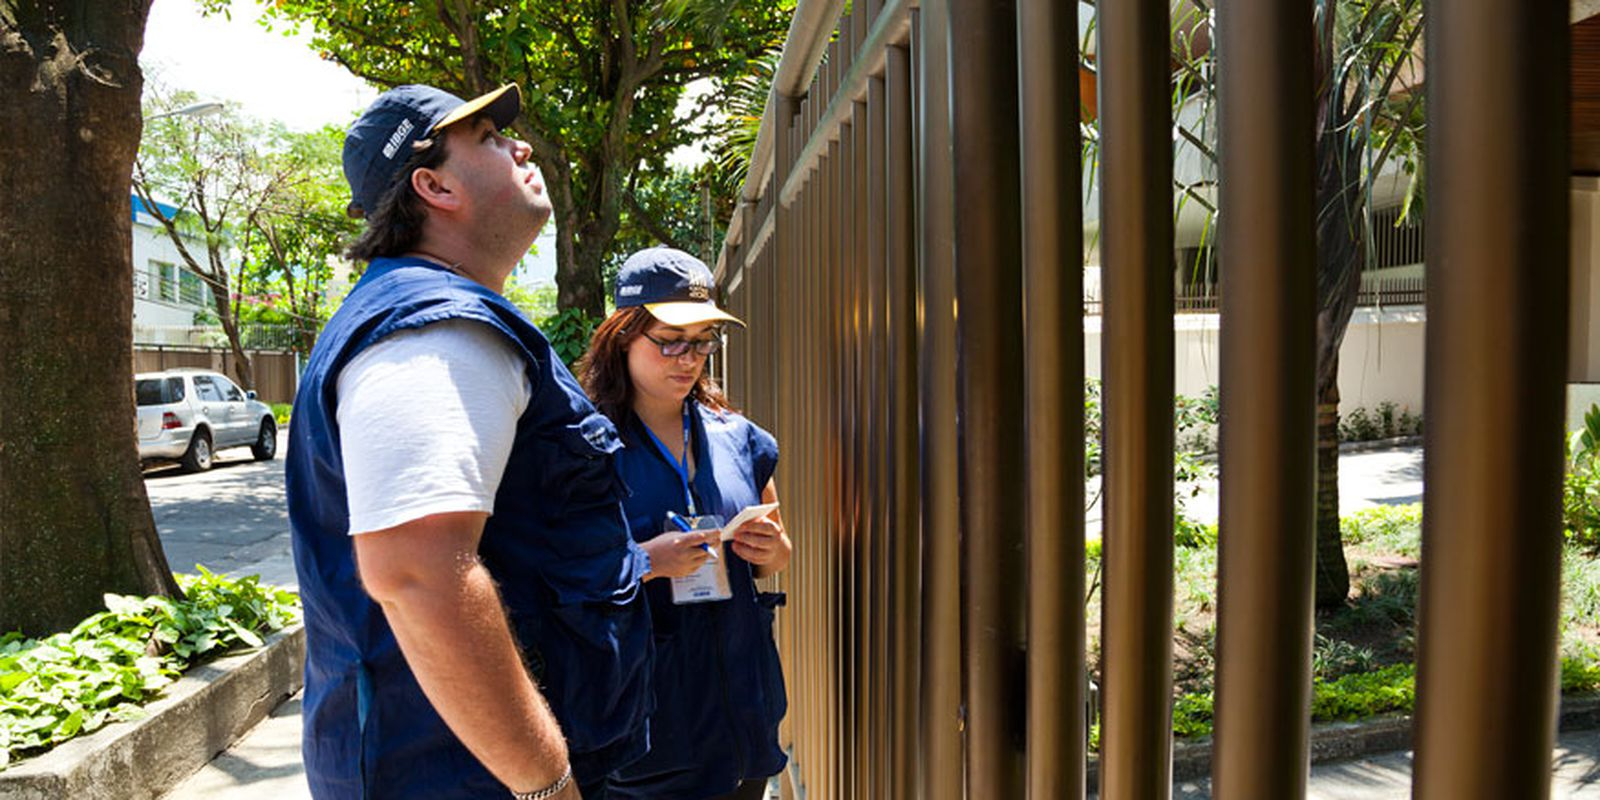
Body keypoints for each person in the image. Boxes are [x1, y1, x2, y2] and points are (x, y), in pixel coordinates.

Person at [285, 84, 654, 800]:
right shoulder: (434, 327)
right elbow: (417, 573)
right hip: (468, 780)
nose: (521, 146)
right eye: (486, 137)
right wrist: (545, 783)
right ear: (433, 186)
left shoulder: (432, 315)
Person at [577, 247, 793, 800]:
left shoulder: (737, 437)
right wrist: (648, 561)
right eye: (670, 341)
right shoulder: (584, 450)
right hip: (646, 737)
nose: (688, 358)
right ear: (623, 335)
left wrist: (767, 547)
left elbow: (779, 556)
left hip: (744, 720)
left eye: (702, 342)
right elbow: (560, 579)